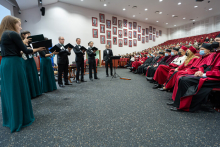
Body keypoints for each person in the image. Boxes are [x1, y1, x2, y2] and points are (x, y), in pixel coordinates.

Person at [0, 15, 45, 132]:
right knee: (17, 89)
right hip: (14, 63)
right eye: (19, 25)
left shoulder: (3, 34)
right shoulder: (12, 34)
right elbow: (26, 51)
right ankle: (21, 118)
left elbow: (15, 50)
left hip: (5, 63)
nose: (20, 28)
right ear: (12, 24)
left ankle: (12, 117)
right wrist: (39, 49)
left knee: (10, 91)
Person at [168, 43, 220, 112]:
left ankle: (184, 106)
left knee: (184, 79)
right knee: (182, 78)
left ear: (208, 50)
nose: (200, 51)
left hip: (214, 79)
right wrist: (201, 71)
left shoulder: (213, 55)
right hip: (207, 75)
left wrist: (205, 74)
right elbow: (203, 66)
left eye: (202, 49)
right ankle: (177, 102)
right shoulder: (214, 55)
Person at [20, 30, 42, 98]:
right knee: (28, 75)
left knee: (33, 74)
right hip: (25, 60)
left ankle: (36, 92)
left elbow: (33, 51)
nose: (30, 36)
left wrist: (36, 49)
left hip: (31, 59)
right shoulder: (21, 42)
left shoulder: (30, 43)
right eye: (28, 34)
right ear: (24, 35)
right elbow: (21, 51)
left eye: (30, 34)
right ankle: (30, 93)